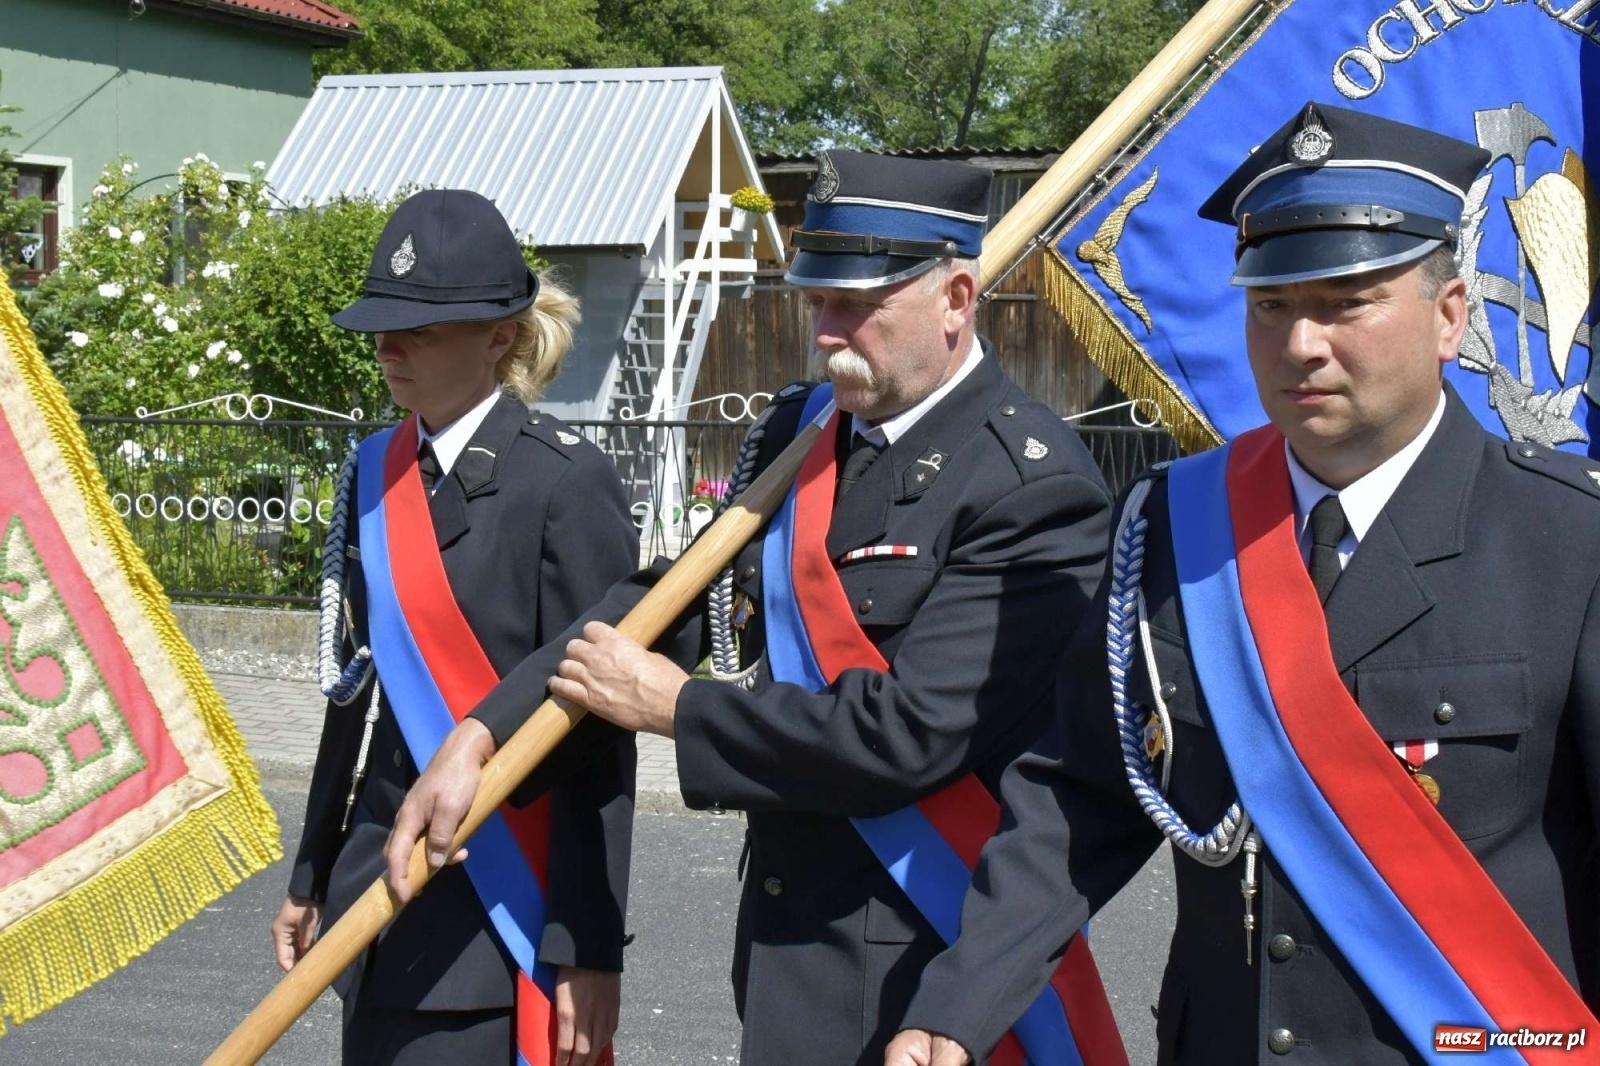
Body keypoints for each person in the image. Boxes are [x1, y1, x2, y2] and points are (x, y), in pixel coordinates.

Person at [887, 102, 1600, 1066]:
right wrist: (958, 1003)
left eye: (1345, 302)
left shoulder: (1570, 540)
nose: (1301, 343)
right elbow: (1081, 795)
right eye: (1271, 304)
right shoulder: (1174, 525)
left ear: (1448, 316)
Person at [381, 152, 1117, 1066]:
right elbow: (668, 599)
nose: (826, 333)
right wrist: (484, 733)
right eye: (817, 302)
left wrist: (677, 707)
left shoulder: (1030, 488)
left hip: (924, 967)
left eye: (856, 306)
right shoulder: (803, 431)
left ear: (957, 299)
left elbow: (908, 733)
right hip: (785, 952)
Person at [271, 188, 639, 1066]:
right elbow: (353, 693)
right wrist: (312, 871)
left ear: (499, 337)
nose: (387, 348)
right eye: (381, 326)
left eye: (419, 330)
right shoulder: (373, 471)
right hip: (383, 896)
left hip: (498, 912)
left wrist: (585, 947)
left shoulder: (563, 484)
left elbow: (600, 730)